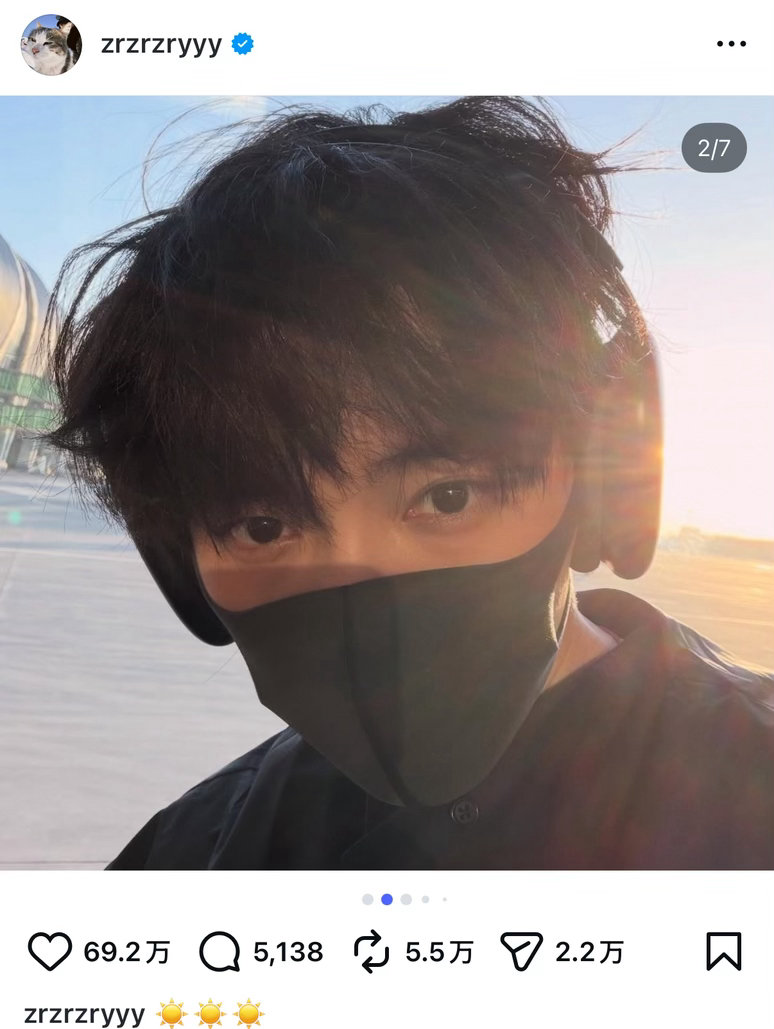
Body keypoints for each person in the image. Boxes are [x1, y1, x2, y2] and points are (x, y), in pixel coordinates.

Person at [45, 96, 774, 869]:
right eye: (265, 527)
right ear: (180, 563)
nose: (365, 586)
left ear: (599, 472)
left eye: (447, 496)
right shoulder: (188, 855)